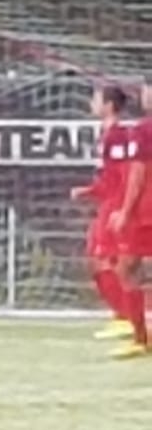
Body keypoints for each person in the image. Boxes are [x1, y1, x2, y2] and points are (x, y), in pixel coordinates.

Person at [72, 84, 135, 342]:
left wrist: (122, 207)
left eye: (96, 99)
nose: (91, 104)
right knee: (101, 260)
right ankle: (122, 316)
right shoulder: (107, 134)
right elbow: (109, 177)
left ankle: (128, 317)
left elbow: (123, 175)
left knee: (107, 261)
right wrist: (89, 191)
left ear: (108, 105)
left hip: (115, 205)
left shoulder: (117, 135)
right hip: (109, 203)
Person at [106, 80, 152, 360]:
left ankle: (141, 338)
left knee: (127, 268)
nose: (145, 96)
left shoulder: (143, 130)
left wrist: (125, 211)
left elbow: (138, 173)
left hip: (146, 213)